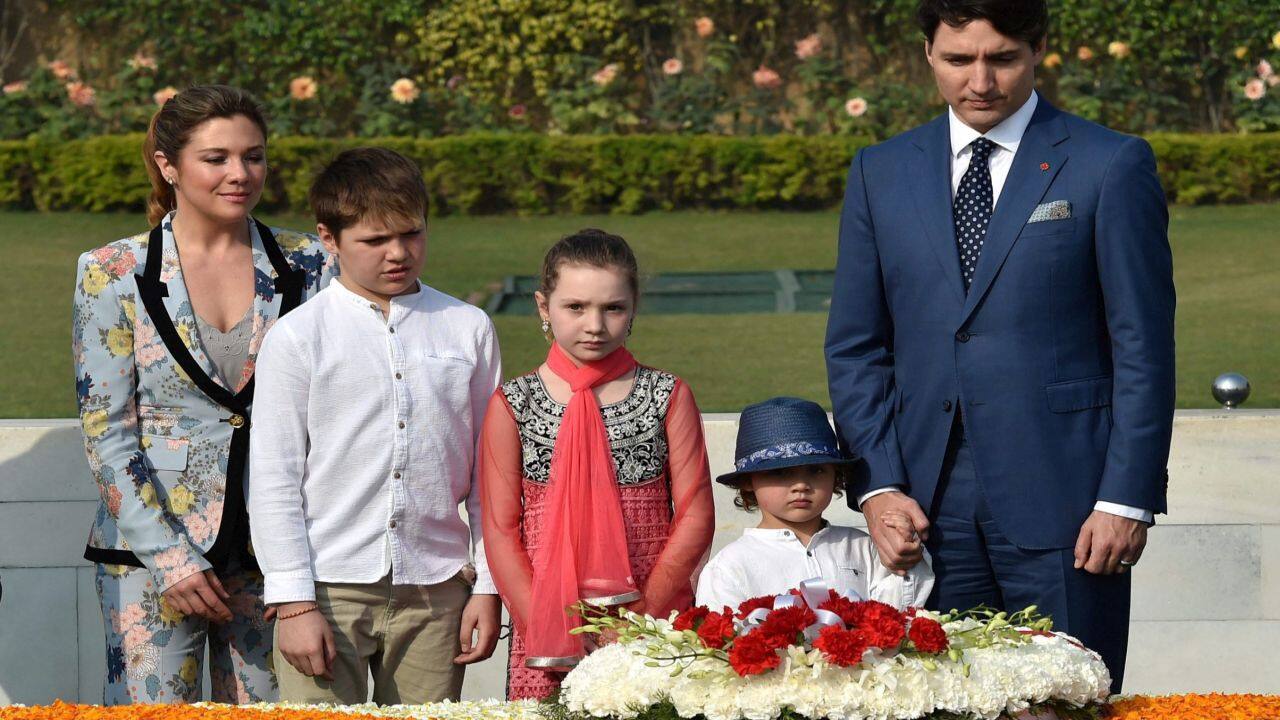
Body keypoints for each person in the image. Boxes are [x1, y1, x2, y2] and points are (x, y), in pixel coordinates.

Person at [824, 0, 1175, 692]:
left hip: (1070, 508)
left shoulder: (1111, 163)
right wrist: (879, 485)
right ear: (928, 54)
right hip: (925, 510)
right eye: (958, 59)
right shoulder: (879, 171)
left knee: (1067, 701)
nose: (980, 80)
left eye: (1002, 57)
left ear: (1038, 50)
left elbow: (1143, 345)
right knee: (937, 701)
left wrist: (1127, 499)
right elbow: (857, 347)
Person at [73, 84, 333, 704]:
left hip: (274, 552)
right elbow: (106, 430)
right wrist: (171, 559)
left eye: (255, 156)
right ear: (169, 165)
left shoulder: (311, 262)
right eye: (216, 158)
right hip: (148, 553)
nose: (240, 174)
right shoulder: (112, 271)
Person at [248, 147, 502, 704]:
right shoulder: (298, 337)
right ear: (328, 238)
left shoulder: (468, 328)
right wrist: (294, 602)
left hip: (438, 589)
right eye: (374, 240)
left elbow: (493, 473)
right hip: (327, 590)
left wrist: (487, 584)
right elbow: (273, 477)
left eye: (411, 234)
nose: (398, 253)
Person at [478, 229, 716, 700]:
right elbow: (501, 529)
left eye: (613, 308)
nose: (595, 325)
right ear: (544, 307)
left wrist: (638, 617)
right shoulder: (514, 403)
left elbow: (696, 513)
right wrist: (550, 623)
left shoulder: (667, 394)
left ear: (634, 308)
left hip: (651, 620)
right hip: (546, 625)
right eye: (576, 307)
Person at [696, 397, 934, 611]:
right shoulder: (729, 566)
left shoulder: (864, 547)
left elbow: (900, 613)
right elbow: (718, 644)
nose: (801, 485)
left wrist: (906, 550)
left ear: (837, 476)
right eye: (780, 473)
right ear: (747, 481)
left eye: (816, 470)